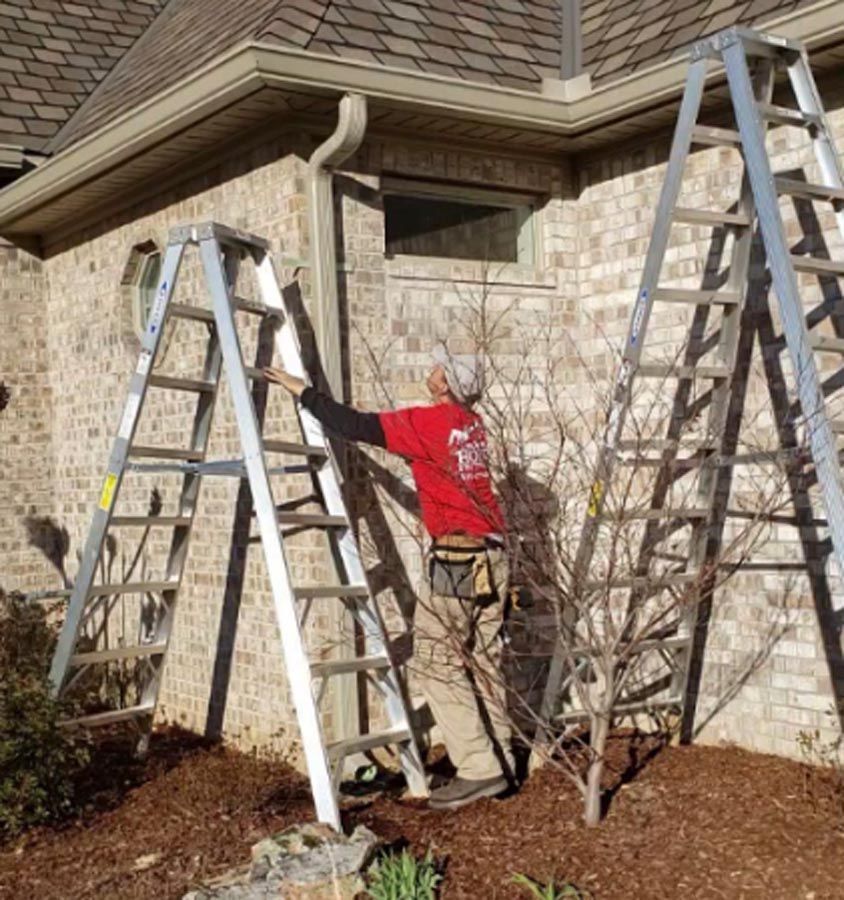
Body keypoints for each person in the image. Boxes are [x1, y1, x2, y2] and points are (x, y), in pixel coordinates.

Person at [264, 345, 514, 810]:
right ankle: (501, 760)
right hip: (495, 553)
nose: (431, 368)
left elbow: (355, 426)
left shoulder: (430, 423)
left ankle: (480, 771)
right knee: (483, 660)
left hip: (459, 560)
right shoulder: (473, 427)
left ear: (446, 384)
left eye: (439, 366)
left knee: (436, 663)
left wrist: (304, 393)